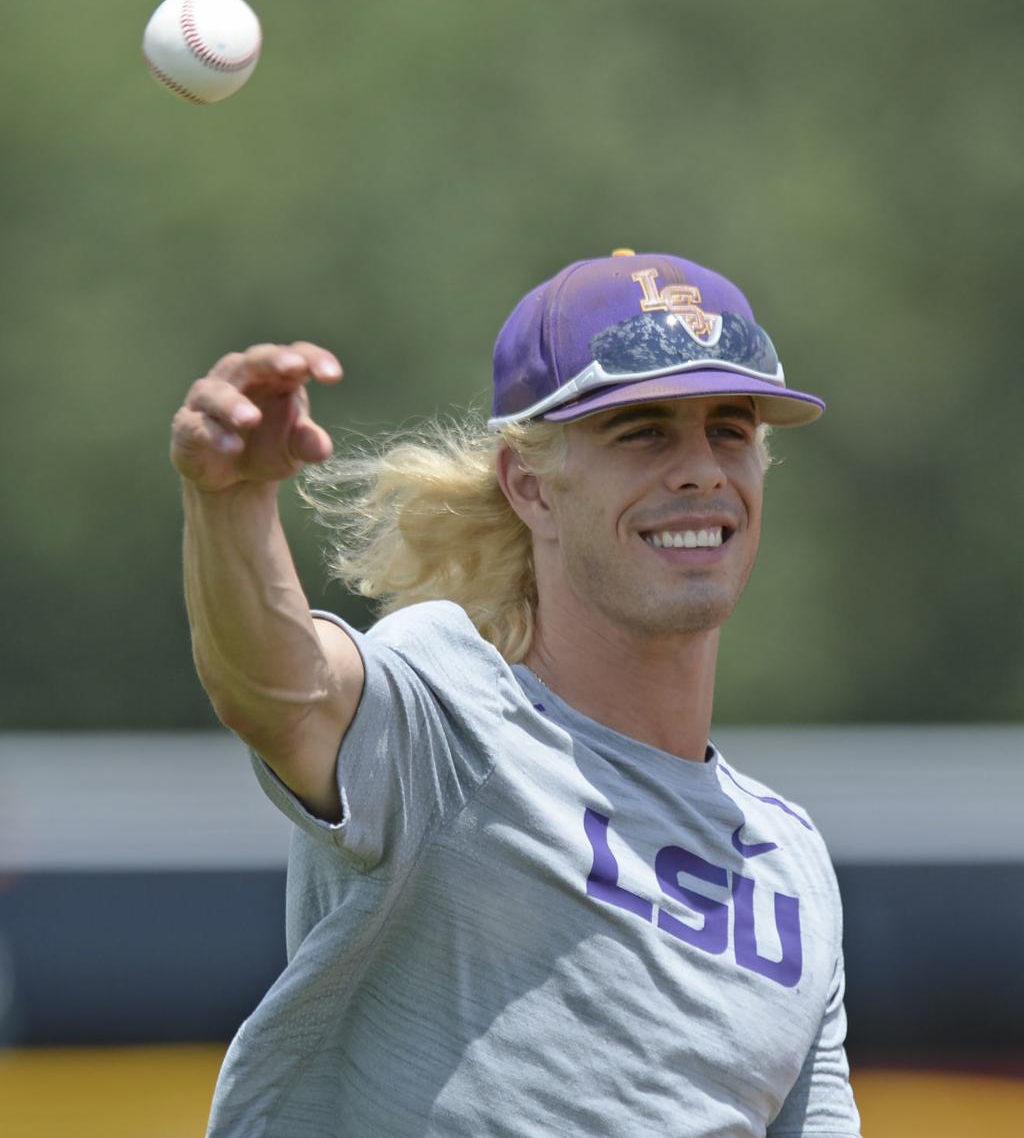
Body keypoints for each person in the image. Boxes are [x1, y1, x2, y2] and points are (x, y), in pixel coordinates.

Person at [172, 249, 861, 1138]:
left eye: (730, 430)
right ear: (530, 485)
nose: (702, 468)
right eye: (643, 429)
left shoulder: (789, 865)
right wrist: (231, 503)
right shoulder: (450, 710)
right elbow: (278, 692)